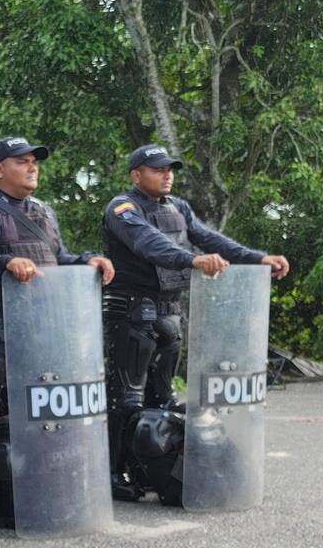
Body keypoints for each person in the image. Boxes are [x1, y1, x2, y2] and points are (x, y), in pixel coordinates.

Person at [101, 144, 289, 500]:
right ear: (136, 175)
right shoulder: (122, 208)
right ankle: (112, 472)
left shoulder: (178, 207)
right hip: (130, 310)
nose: (167, 174)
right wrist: (191, 261)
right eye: (158, 169)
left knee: (162, 395)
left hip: (169, 311)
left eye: (170, 168)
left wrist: (259, 258)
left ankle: (147, 468)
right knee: (126, 397)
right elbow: (147, 243)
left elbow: (210, 238)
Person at [0, 136, 114, 530]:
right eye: (21, 161)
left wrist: (87, 260)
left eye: (33, 161)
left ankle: (32, 490)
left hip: (40, 332)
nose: (32, 166)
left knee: (41, 416)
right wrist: (5, 262)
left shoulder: (44, 212)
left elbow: (54, 260)